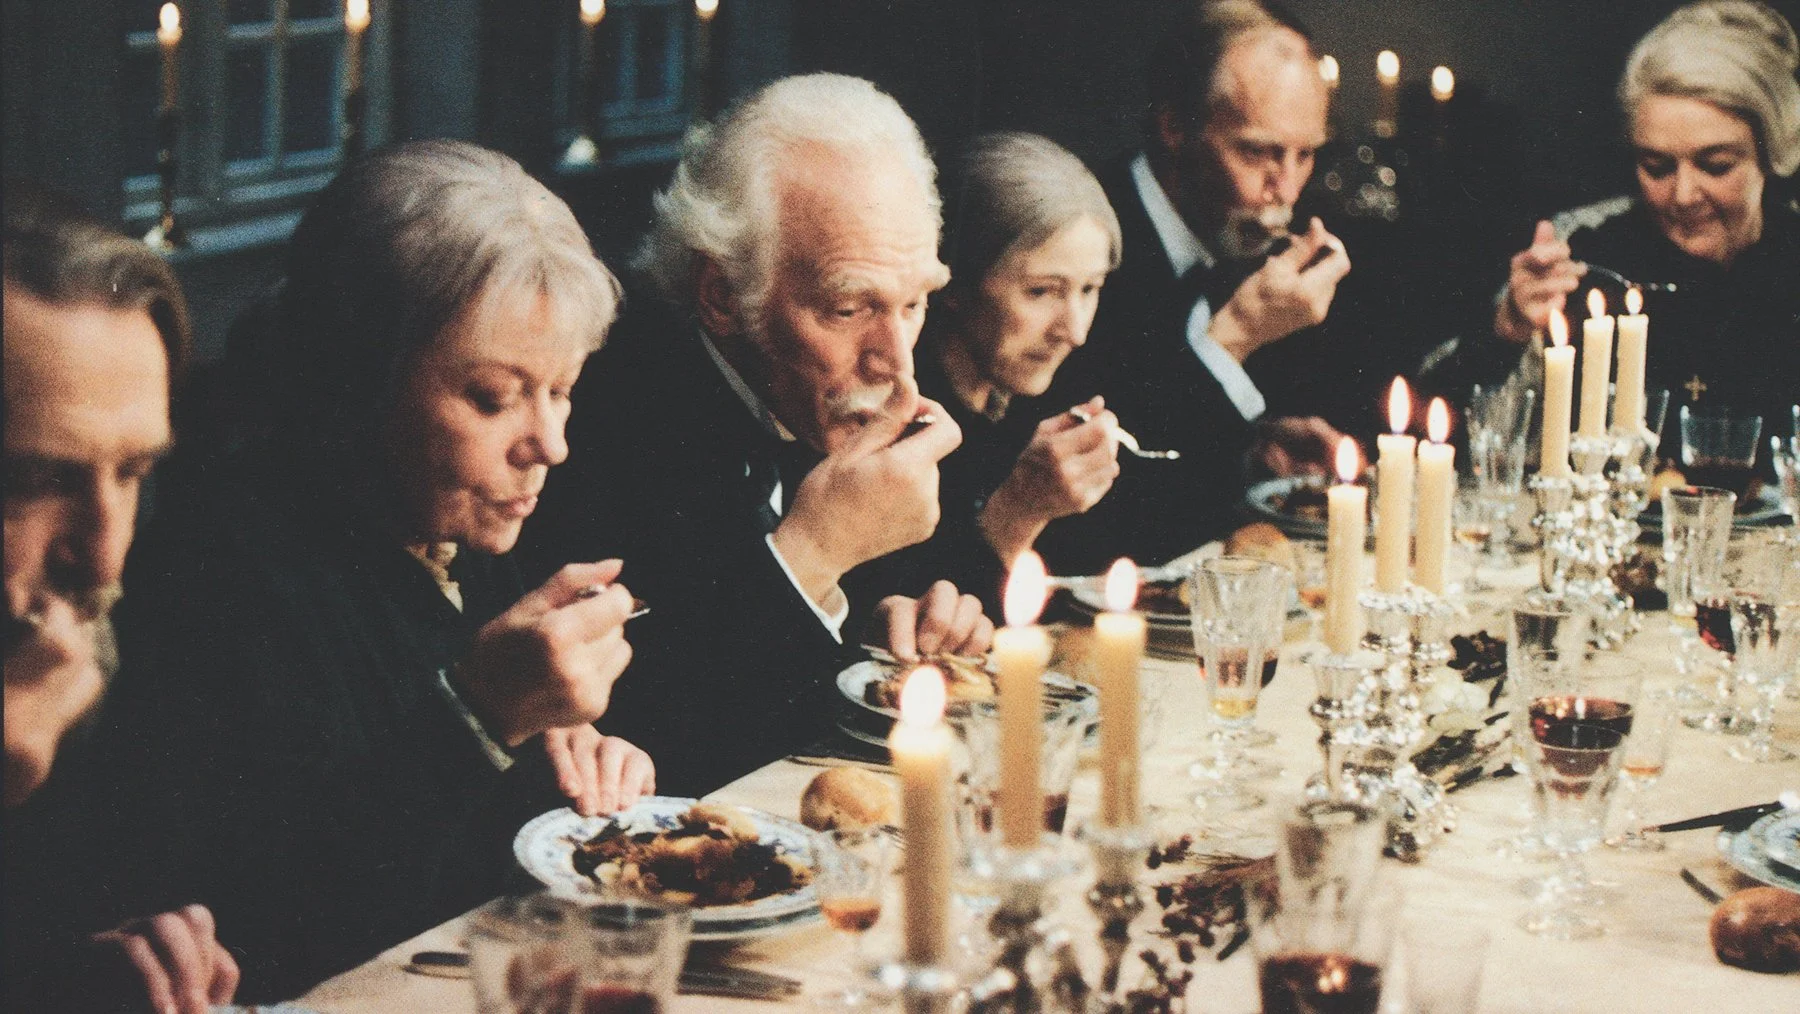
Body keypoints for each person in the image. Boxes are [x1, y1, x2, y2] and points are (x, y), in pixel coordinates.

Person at [9, 142, 653, 1002]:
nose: (551, 444)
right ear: (360, 380)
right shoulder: (219, 577)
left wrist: (561, 757)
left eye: (562, 390)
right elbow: (270, 921)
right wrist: (477, 719)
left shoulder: (456, 531)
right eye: (493, 399)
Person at [526, 74, 994, 795]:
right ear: (721, 294)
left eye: (915, 303)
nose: (898, 363)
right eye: (847, 309)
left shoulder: (851, 375)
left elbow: (871, 623)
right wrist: (815, 554)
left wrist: (900, 623)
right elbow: (642, 744)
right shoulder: (589, 414)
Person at [3, 181, 242, 1013]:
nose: (105, 553)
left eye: (134, 472)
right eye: (37, 481)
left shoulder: (92, 646)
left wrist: (71, 980)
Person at [1033, 0, 1352, 573]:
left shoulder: (1237, 235)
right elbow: (1093, 518)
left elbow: (1168, 434)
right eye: (1256, 151)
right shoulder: (1077, 242)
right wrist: (1235, 339)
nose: (1284, 190)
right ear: (1175, 127)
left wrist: (1254, 447)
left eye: (1304, 155)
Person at [1482, 0, 1799, 457]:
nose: (1683, 195)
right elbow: (1474, 445)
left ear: (1771, 155)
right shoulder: (1582, 250)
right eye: (1656, 166)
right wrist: (1507, 333)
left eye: (1715, 165)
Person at [907, 132, 1124, 605]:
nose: (1074, 332)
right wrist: (1019, 510)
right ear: (953, 283)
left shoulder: (1043, 399)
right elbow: (922, 625)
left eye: (1089, 289)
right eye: (1041, 291)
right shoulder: (897, 420)